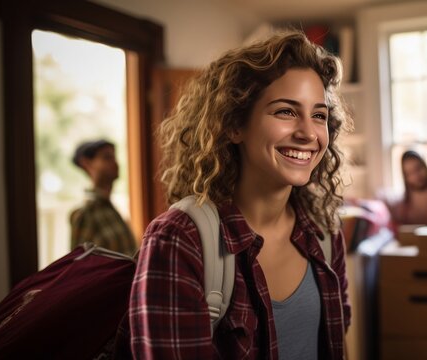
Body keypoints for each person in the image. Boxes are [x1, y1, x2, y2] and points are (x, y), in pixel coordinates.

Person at [129, 31, 352, 359]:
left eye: (318, 115)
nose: (308, 133)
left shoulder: (323, 230)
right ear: (235, 126)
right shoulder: (179, 239)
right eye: (286, 112)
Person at [70, 139, 136, 256]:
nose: (115, 163)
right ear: (87, 164)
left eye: (114, 157)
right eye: (107, 157)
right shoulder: (86, 213)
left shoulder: (111, 208)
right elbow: (80, 263)